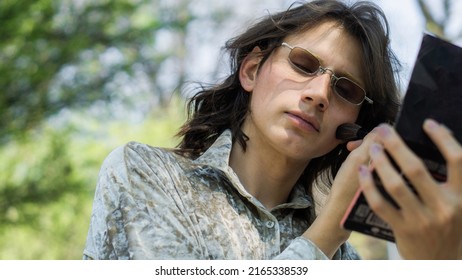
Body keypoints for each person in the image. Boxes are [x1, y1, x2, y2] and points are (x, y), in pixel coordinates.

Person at [83, 0, 462, 260]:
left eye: (345, 88)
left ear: (353, 127)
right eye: (303, 63)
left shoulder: (345, 261)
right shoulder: (144, 175)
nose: (318, 94)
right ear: (252, 70)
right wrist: (330, 230)